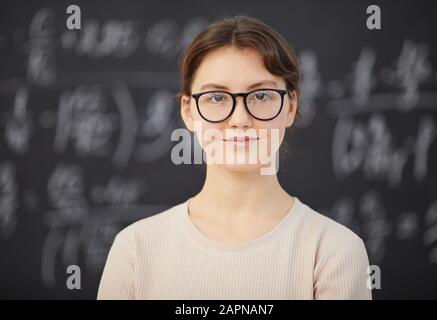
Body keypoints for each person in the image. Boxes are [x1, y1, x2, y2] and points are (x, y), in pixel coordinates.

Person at [97, 14, 372, 300]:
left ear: (290, 106)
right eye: (216, 97)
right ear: (188, 112)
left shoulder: (332, 251)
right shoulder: (136, 249)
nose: (239, 119)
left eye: (261, 96)